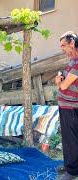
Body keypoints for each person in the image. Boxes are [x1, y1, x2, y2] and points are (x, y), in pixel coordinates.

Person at [55, 31, 78, 180]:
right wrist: (60, 80)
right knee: (70, 139)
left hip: (71, 107)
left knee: (71, 140)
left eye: (64, 45)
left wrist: (59, 82)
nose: (62, 48)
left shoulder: (76, 63)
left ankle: (71, 172)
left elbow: (64, 86)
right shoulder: (72, 60)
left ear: (72, 43)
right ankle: (71, 166)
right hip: (67, 106)